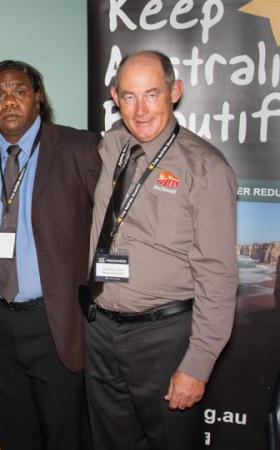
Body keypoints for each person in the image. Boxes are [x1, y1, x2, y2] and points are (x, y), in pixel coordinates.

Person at [84, 50, 237, 450]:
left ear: (175, 91)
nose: (140, 110)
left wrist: (198, 364)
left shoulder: (206, 167)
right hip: (101, 331)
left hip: (165, 339)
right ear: (115, 97)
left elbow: (218, 276)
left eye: (152, 94)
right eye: (130, 96)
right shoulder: (111, 145)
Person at [0, 60, 101, 450]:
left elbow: (115, 221)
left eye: (19, 91)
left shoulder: (79, 148)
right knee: (15, 434)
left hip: (56, 322)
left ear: (38, 98)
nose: (9, 101)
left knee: (66, 436)